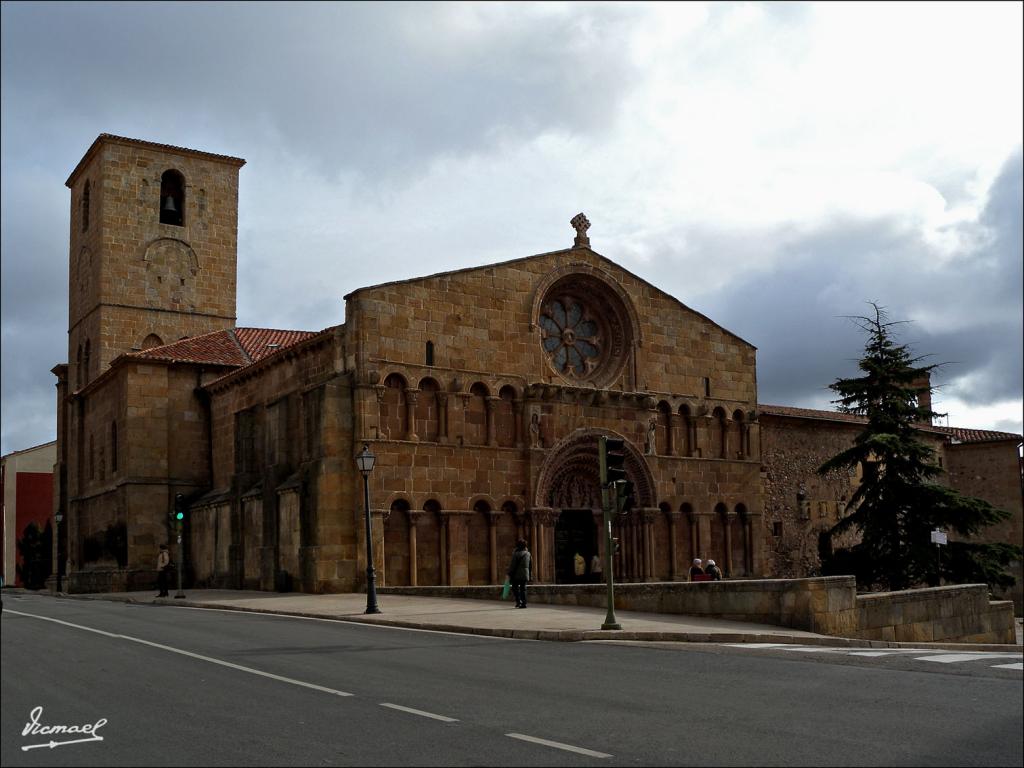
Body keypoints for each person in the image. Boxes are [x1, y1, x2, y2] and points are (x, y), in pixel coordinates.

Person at [506, 539, 531, 609]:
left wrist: (509, 573)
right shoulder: (528, 554)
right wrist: (529, 574)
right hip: (525, 574)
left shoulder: (516, 554)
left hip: (516, 575)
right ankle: (524, 603)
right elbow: (530, 565)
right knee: (523, 589)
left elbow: (513, 565)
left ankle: (518, 601)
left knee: (514, 588)